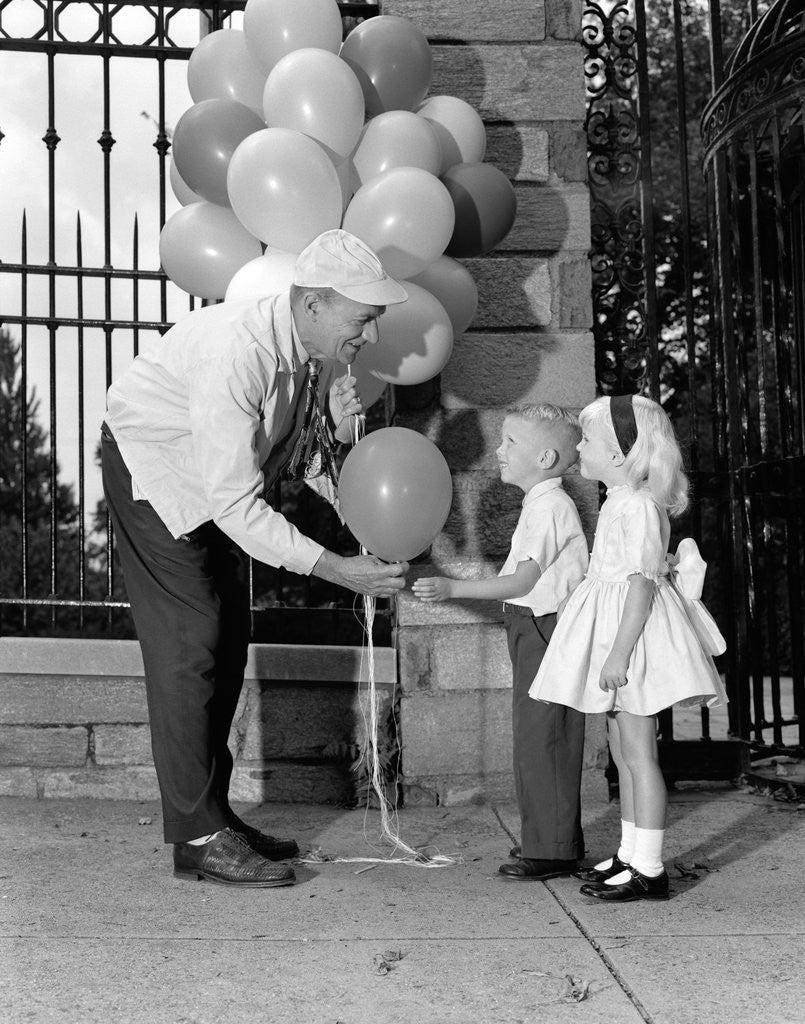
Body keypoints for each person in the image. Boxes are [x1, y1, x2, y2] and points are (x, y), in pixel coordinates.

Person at [101, 229, 409, 888]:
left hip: (213, 481)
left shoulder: (305, 350)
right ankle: (197, 837)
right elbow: (238, 507)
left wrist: (357, 520)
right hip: (152, 467)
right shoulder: (237, 352)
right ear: (312, 303)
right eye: (362, 320)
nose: (369, 337)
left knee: (230, 638)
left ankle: (213, 816)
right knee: (192, 640)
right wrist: (334, 566)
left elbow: (296, 459)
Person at [530, 394, 727, 903]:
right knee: (623, 750)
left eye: (588, 439)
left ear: (620, 454)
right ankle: (629, 852)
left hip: (631, 639)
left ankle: (650, 867)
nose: (579, 445)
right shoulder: (621, 499)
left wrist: (617, 655)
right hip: (616, 629)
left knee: (640, 756)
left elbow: (639, 585)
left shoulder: (637, 504)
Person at [412, 404, 589, 880]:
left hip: (545, 628)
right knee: (538, 737)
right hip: (535, 628)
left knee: (544, 738)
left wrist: (455, 588)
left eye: (511, 442)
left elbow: (522, 582)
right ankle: (553, 842)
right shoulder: (542, 503)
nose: (499, 450)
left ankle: (552, 849)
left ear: (547, 457)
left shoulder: (551, 506)